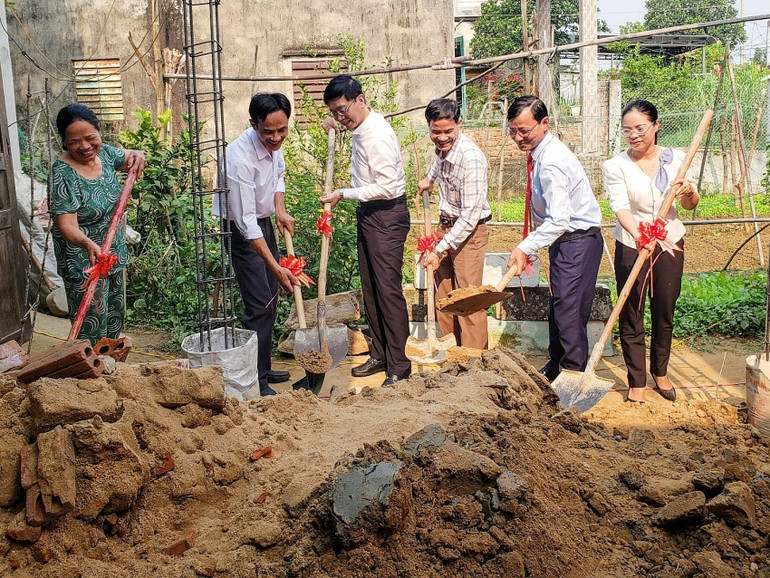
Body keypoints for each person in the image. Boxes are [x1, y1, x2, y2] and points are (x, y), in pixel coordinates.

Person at [601, 99, 699, 403]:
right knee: (631, 310)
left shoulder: (678, 159)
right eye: (627, 130)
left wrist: (690, 192)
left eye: (640, 128)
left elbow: (689, 205)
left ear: (655, 126)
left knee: (664, 308)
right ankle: (637, 380)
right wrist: (638, 235)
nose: (634, 135)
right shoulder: (615, 166)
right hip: (633, 243)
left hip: (669, 241)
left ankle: (660, 372)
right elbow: (620, 206)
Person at [320, 75, 411, 387]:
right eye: (335, 112)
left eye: (343, 110)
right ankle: (380, 354)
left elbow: (386, 187)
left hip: (387, 215)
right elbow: (338, 120)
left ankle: (399, 365)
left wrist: (343, 193)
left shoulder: (377, 136)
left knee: (387, 291)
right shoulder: (358, 126)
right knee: (371, 289)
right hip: (370, 214)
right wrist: (332, 122)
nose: (341, 117)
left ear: (360, 99)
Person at [506, 95, 603, 382]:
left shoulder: (551, 162)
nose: (518, 137)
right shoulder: (541, 154)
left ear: (544, 123)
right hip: (566, 242)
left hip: (576, 241)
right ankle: (557, 362)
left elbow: (560, 219)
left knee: (568, 309)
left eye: (525, 130)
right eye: (513, 130)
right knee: (558, 305)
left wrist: (527, 244)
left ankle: (572, 373)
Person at [215, 93, 299, 397]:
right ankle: (255, 379)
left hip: (262, 222)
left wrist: (279, 209)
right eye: (268, 132)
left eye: (282, 130)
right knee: (259, 303)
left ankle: (262, 366)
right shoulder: (239, 157)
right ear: (254, 125)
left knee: (271, 300)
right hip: (242, 231)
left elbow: (278, 176)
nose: (276, 138)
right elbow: (245, 222)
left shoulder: (275, 147)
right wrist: (276, 268)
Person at [51, 103, 147, 345]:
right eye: (74, 142)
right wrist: (87, 244)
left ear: (99, 133)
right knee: (91, 324)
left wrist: (138, 156)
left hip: (112, 254)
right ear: (64, 142)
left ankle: (109, 368)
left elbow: (129, 156)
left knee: (114, 318)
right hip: (84, 260)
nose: (84, 146)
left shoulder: (103, 153)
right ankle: (88, 375)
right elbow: (66, 225)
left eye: (90, 138)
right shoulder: (62, 173)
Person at [419, 98, 491, 349]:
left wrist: (439, 249)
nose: (442, 137)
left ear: (459, 124)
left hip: (469, 233)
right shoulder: (441, 150)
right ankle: (451, 354)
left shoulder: (471, 158)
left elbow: (470, 216)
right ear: (429, 127)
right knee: (444, 297)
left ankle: (474, 363)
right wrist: (429, 180)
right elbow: (437, 165)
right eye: (436, 131)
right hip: (445, 227)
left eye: (448, 131)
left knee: (468, 299)